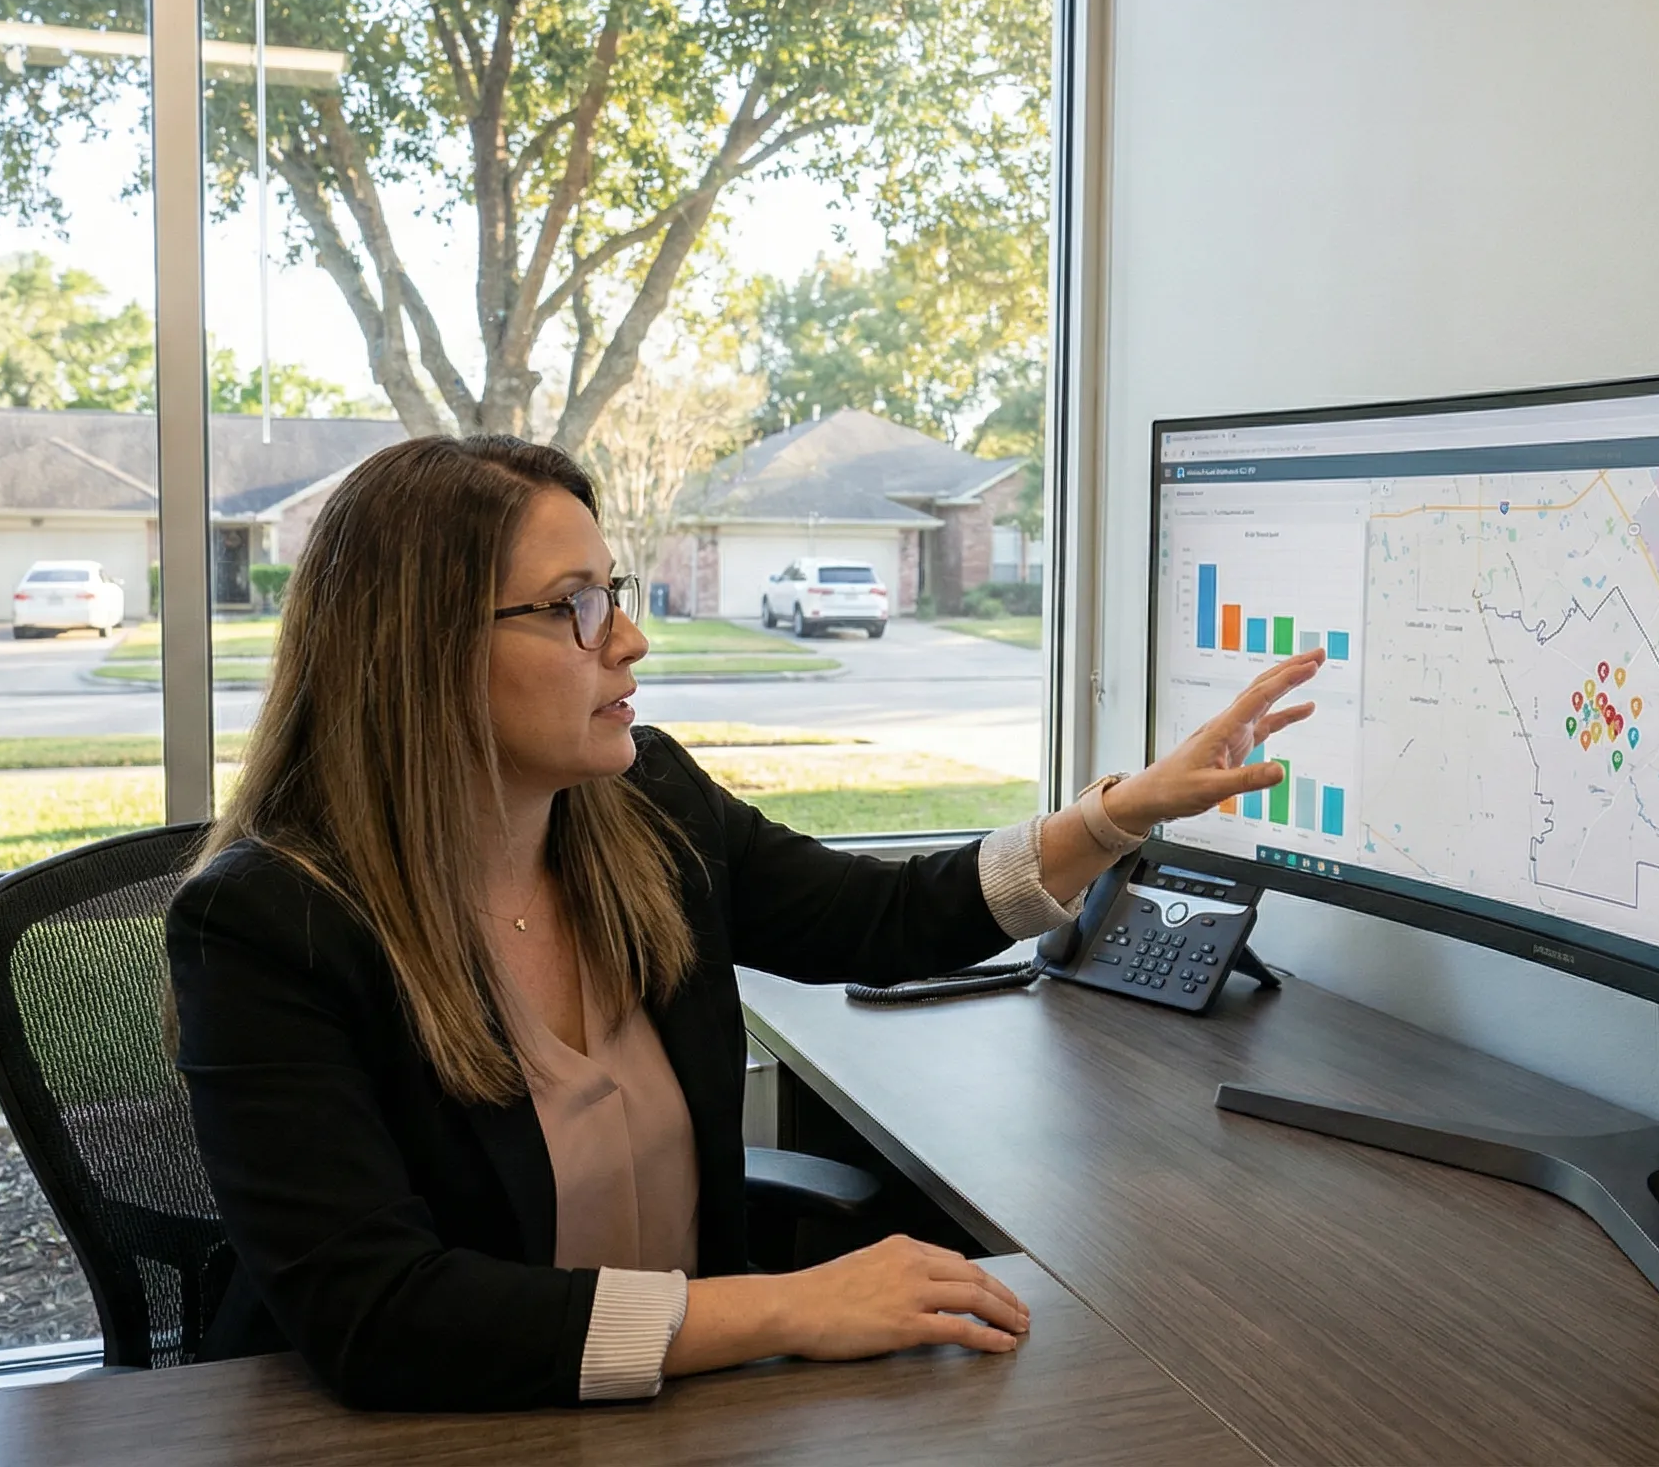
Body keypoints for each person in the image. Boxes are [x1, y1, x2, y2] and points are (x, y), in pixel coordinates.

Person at [167, 433, 1322, 1411]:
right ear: (416, 654)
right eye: (571, 608)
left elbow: (876, 921)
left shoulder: (644, 807)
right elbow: (378, 1315)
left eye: (613, 594)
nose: (628, 640)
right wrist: (790, 1306)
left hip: (673, 1414)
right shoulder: (269, 926)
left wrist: (1120, 813)